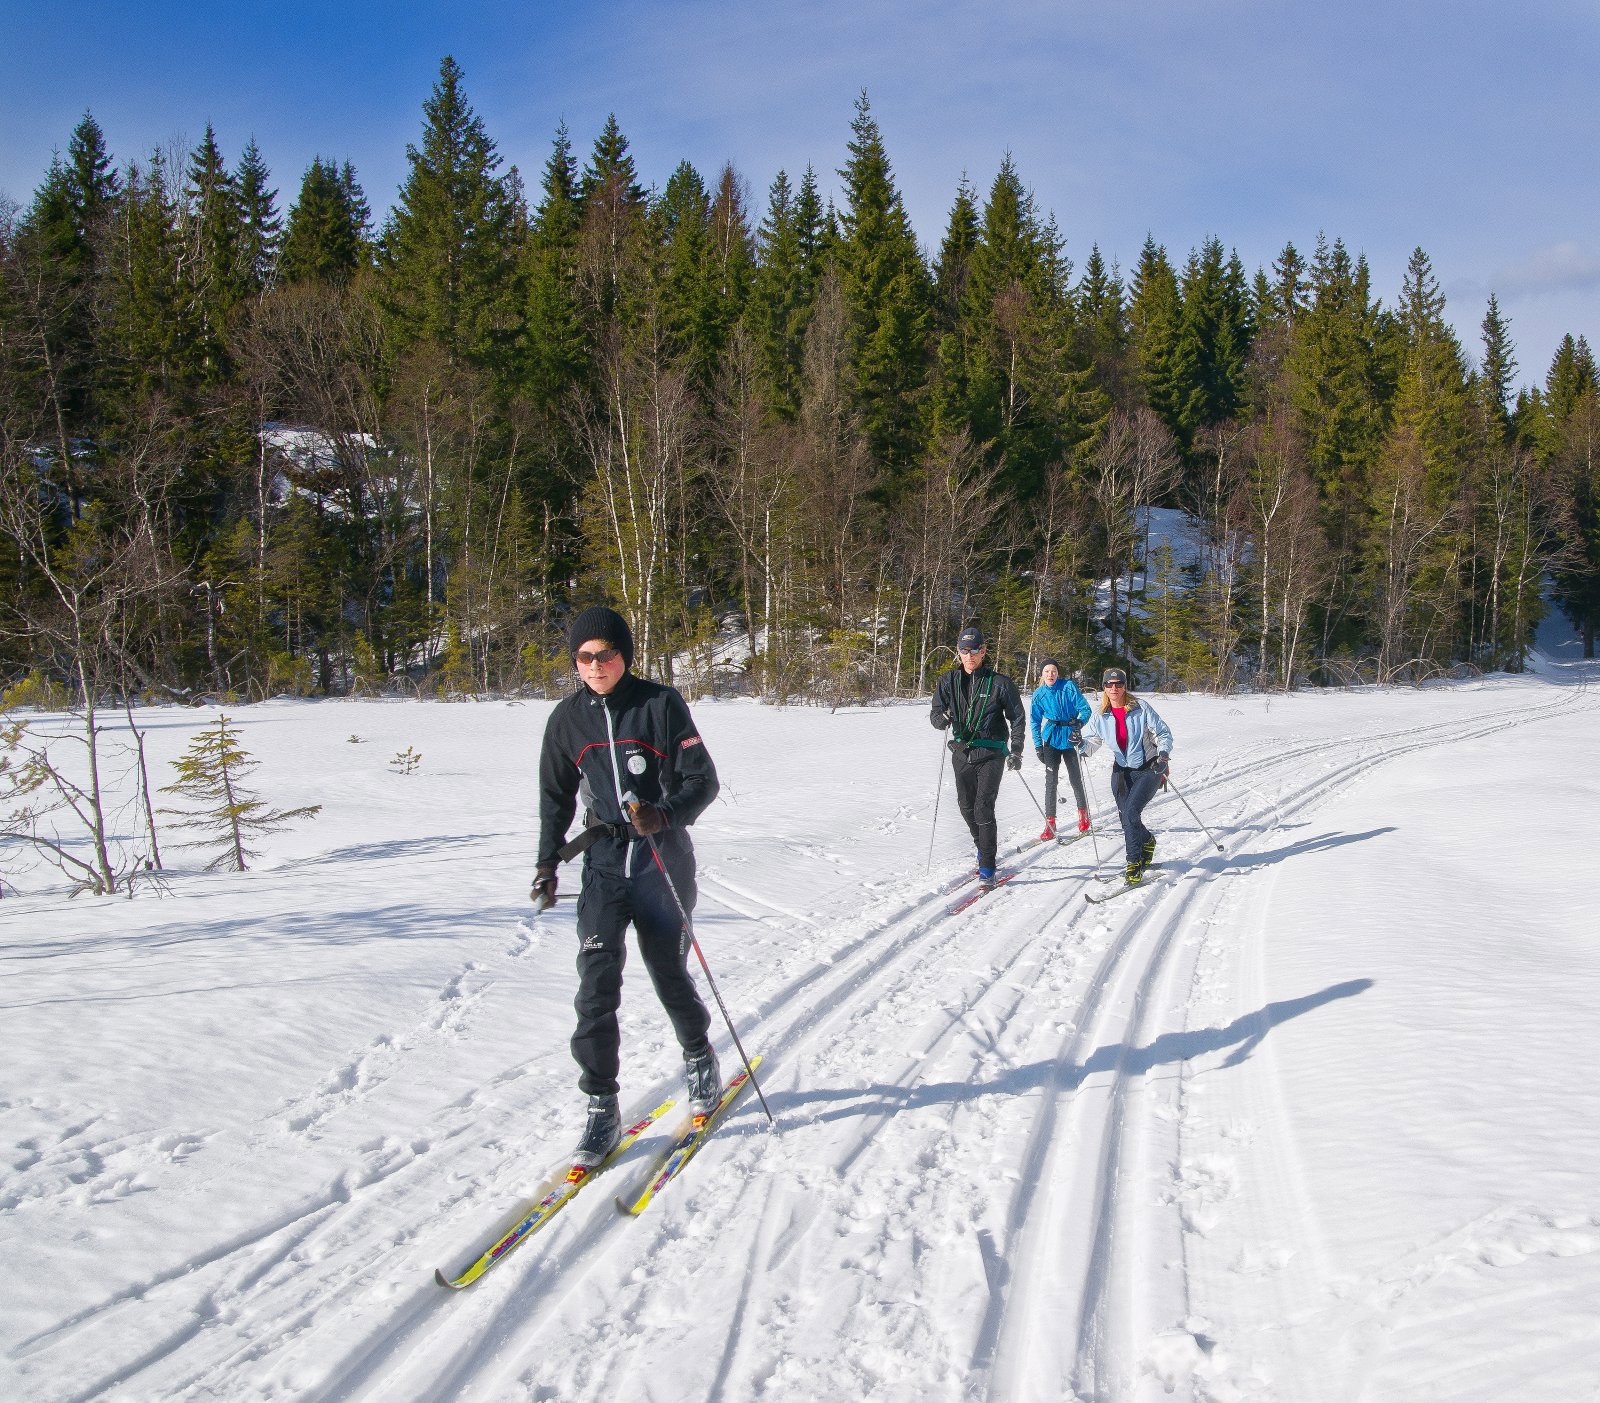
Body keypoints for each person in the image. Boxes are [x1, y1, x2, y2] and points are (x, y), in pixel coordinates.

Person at [534, 606, 722, 1167]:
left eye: (607, 654)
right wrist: (547, 862)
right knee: (596, 983)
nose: (596, 665)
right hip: (605, 866)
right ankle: (600, 1106)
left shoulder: (660, 704)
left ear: (625, 655)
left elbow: (703, 781)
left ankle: (698, 1056)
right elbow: (554, 798)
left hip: (662, 860)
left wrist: (663, 816)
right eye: (585, 657)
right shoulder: (567, 720)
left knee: (667, 971)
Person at [930, 625, 1025, 889]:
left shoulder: (1000, 683)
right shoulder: (948, 681)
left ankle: (987, 866)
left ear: (983, 651)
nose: (969, 655)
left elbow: (1017, 717)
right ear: (958, 652)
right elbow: (935, 715)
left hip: (991, 752)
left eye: (974, 650)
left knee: (984, 806)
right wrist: (942, 719)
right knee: (965, 806)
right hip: (962, 752)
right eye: (964, 650)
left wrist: (1016, 749)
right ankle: (981, 846)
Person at [1084, 666, 1173, 885]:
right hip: (1122, 771)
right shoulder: (1100, 715)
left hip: (1150, 768)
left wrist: (1163, 755)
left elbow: (1162, 733)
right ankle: (1147, 841)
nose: (1114, 688)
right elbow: (1092, 743)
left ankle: (1133, 863)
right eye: (1109, 684)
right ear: (1103, 687)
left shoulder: (1140, 708)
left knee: (1132, 811)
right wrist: (1079, 744)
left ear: (1125, 686)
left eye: (1119, 684)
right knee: (1126, 817)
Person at [1029, 658, 1092, 840]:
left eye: (1054, 671)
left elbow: (1085, 709)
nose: (1051, 674)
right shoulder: (1039, 695)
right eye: (1047, 671)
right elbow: (1034, 721)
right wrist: (1038, 746)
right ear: (1042, 674)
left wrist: (1079, 723)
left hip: (1071, 737)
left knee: (1075, 778)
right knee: (1051, 782)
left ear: (1058, 673)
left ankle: (1083, 816)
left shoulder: (1069, 687)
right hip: (1051, 739)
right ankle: (1050, 823)